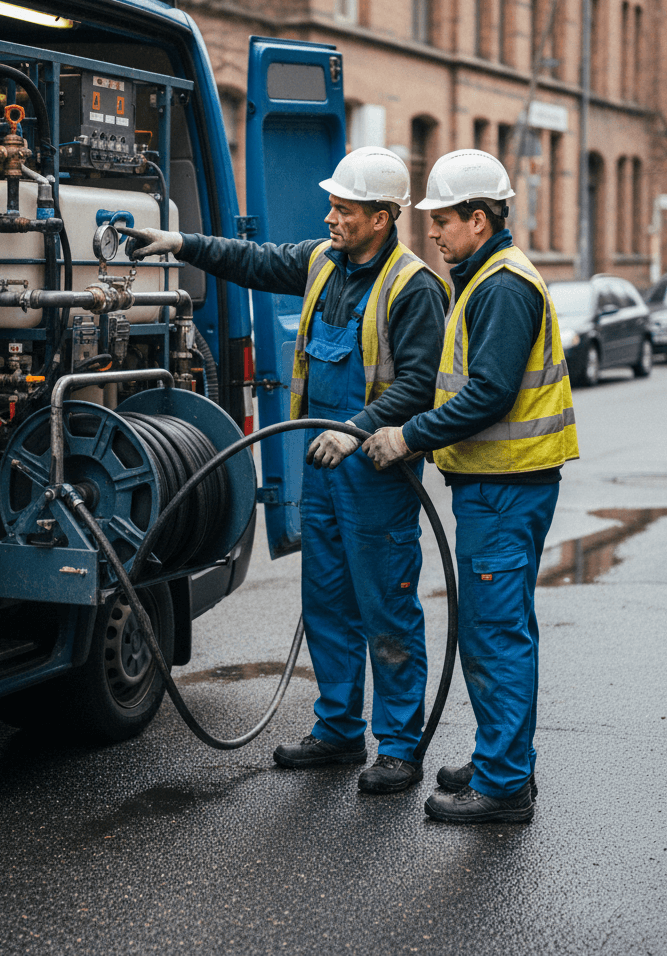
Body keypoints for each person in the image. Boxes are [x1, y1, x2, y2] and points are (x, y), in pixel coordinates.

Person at [123, 147, 450, 793]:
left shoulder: (413, 287)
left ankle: (399, 748)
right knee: (326, 602)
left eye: (344, 209)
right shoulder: (322, 261)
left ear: (382, 217)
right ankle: (338, 730)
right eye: (332, 206)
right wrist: (181, 243)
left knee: (386, 609)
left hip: (375, 472)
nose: (330, 217)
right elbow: (254, 259)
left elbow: (419, 384)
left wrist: (355, 429)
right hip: (322, 469)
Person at [363, 148, 578, 823]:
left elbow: (488, 393)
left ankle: (504, 785)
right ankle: (502, 759)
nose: (432, 231)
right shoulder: (485, 277)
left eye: (443, 219)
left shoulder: (503, 287)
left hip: (505, 489)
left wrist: (408, 435)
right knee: (501, 628)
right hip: (499, 486)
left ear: (479, 219)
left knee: (494, 635)